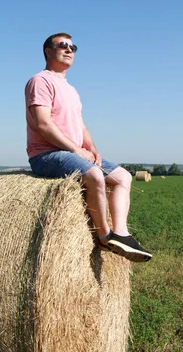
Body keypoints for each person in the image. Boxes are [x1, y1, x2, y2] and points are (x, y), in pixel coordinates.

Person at [25, 32, 152, 262]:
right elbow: (43, 124)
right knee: (94, 175)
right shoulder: (40, 81)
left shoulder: (71, 90)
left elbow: (81, 127)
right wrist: (76, 150)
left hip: (74, 152)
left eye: (73, 47)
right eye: (62, 45)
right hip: (47, 154)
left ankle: (120, 234)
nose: (69, 50)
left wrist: (92, 148)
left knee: (123, 176)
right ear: (47, 51)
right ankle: (104, 237)